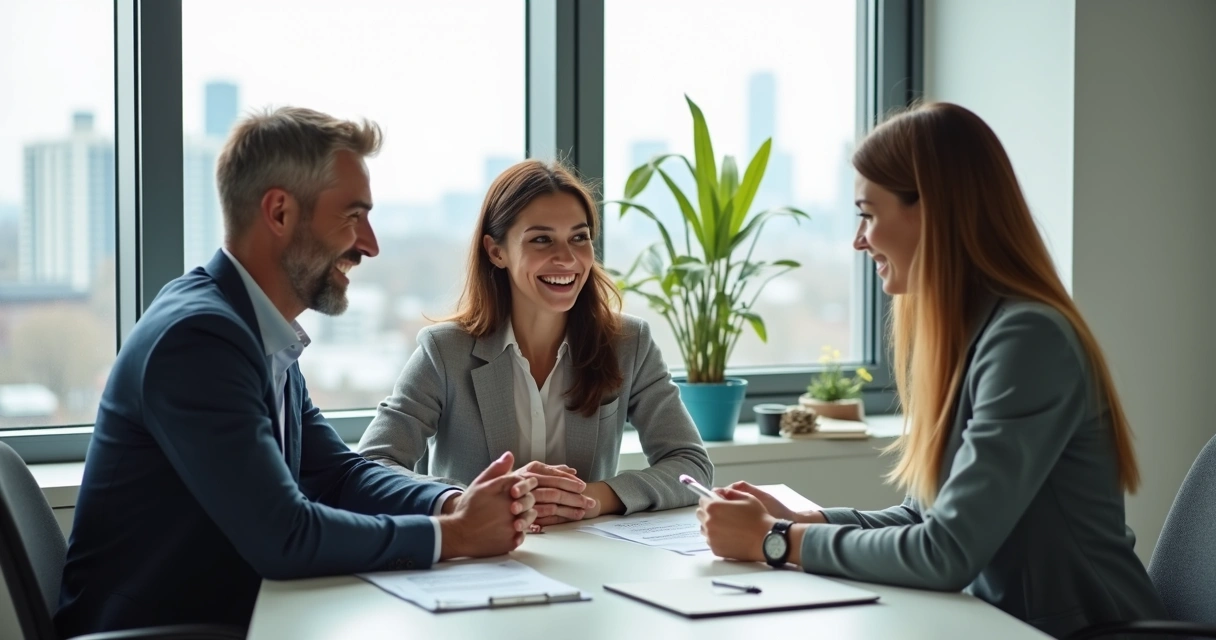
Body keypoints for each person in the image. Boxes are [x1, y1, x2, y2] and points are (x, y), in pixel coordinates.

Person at [55, 107, 538, 636]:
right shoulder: (198, 339)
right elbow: (284, 536)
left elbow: (335, 473)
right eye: (353, 216)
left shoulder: (251, 327)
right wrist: (456, 535)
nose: (370, 244)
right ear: (280, 212)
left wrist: (451, 500)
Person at [697, 102, 1167, 638]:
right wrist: (809, 521)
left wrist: (774, 540)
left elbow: (946, 553)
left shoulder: (1029, 341)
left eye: (868, 214)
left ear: (930, 210)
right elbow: (925, 519)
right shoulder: (973, 334)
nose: (858, 240)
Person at [357, 159, 712, 527]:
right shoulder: (445, 352)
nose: (567, 258)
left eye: (579, 237)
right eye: (541, 239)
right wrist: (465, 503)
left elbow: (691, 466)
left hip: (591, 559)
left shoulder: (629, 344)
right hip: (475, 561)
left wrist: (592, 497)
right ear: (497, 252)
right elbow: (372, 466)